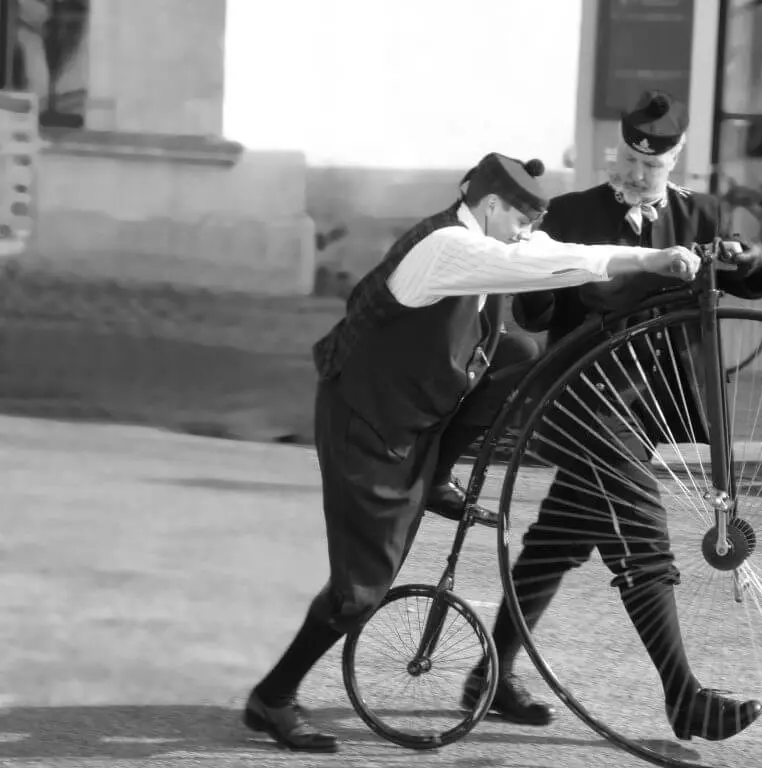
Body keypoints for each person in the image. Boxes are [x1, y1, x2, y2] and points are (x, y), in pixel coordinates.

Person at [242, 149, 704, 753]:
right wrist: (650, 258)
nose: (527, 234)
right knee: (361, 591)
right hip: (369, 423)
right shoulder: (450, 249)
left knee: (516, 351)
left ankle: (435, 479)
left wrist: (654, 258)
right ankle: (272, 698)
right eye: (521, 220)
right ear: (490, 206)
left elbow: (541, 256)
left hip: (414, 412)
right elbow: (551, 265)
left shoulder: (481, 239)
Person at [460, 90, 762, 742]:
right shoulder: (572, 212)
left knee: (559, 541)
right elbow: (532, 315)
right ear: (618, 151)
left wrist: (747, 258)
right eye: (629, 160)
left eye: (650, 167)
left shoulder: (699, 215)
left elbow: (752, 280)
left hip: (643, 413)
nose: (636, 175)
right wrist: (559, 273)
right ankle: (684, 696)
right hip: (575, 403)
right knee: (641, 532)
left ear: (674, 160)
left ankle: (489, 676)